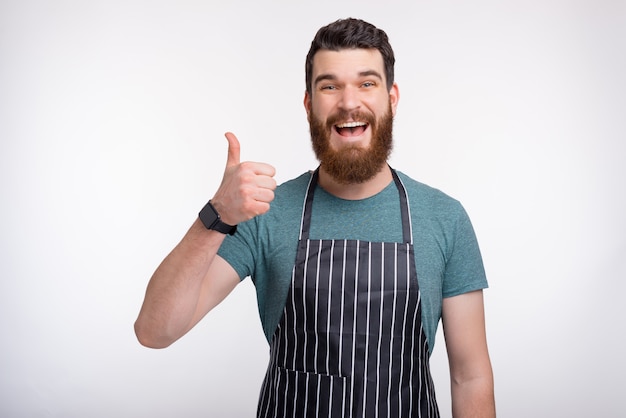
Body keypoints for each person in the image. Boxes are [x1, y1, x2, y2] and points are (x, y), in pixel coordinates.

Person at [135, 17, 495, 418]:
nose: (348, 102)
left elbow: (470, 376)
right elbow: (154, 330)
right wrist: (216, 215)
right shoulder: (263, 213)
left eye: (366, 83)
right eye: (329, 86)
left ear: (392, 98)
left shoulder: (444, 218)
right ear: (309, 104)